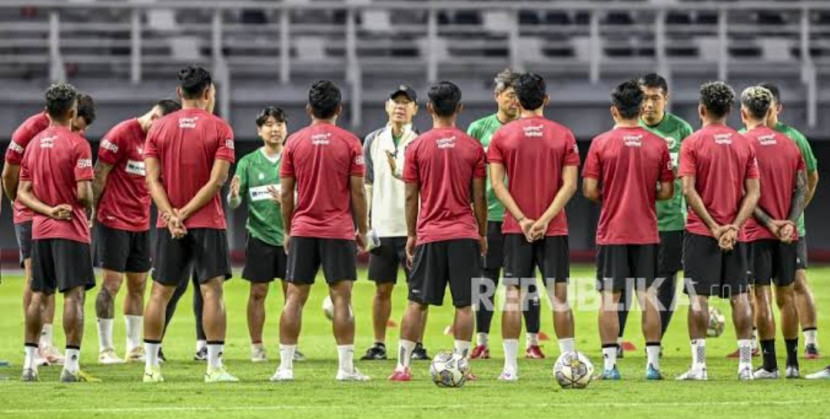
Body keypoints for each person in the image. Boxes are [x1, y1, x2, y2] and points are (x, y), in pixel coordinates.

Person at [141, 65, 238, 383]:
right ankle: (213, 368)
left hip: (168, 223)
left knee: (159, 293)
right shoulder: (221, 128)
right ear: (209, 93)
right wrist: (184, 214)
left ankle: (151, 368)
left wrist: (170, 214)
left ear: (179, 93)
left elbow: (152, 180)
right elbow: (218, 181)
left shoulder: (157, 129)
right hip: (207, 221)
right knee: (212, 292)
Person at [389, 81, 487, 382]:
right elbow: (479, 197)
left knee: (416, 302)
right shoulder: (472, 147)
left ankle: (402, 368)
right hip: (464, 234)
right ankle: (461, 364)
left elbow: (410, 196)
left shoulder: (416, 146)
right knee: (465, 304)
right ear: (459, 108)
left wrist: (411, 234)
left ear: (429, 108)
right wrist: (481, 233)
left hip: (429, 234)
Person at [273, 80, 369, 382]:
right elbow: (358, 193)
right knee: (342, 298)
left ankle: (285, 368)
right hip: (338, 230)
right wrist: (362, 229)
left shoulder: (294, 143)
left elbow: (286, 194)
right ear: (339, 109)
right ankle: (345, 369)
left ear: (309, 109)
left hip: (303, 228)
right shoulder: (351, 142)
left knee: (294, 297)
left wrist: (288, 229)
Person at [486, 73, 579, 381]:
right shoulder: (564, 134)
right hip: (554, 228)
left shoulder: (502, 136)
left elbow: (497, 184)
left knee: (512, 295)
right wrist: (544, 220)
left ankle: (510, 367)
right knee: (559, 297)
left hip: (515, 227)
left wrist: (524, 220)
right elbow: (569, 185)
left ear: (518, 100)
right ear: (546, 100)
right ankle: (569, 363)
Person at [583, 80, 675, 380]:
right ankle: (653, 366)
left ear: (614, 110)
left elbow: (589, 190)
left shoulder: (600, 143)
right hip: (647, 232)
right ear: (640, 108)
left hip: (613, 231)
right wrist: (644, 194)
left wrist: (612, 197)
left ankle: (610, 366)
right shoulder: (658, 144)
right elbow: (667, 192)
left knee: (610, 299)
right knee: (648, 297)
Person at [3, 93, 95, 366]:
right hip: (33, 210)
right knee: (41, 281)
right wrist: (16, 203)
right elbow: (9, 174)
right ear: (70, 113)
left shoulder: (46, 141)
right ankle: (41, 345)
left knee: (47, 284)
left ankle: (44, 345)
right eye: (77, 125)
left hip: (43, 207)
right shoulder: (29, 131)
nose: (79, 132)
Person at [676, 81, 760, 381]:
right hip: (737, 235)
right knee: (740, 297)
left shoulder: (692, 143)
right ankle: (747, 366)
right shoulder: (744, 143)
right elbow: (753, 193)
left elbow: (687, 190)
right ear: (731, 111)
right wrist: (733, 227)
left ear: (701, 110)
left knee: (698, 299)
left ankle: (699, 367)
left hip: (701, 232)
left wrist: (713, 227)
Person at [92, 99, 182, 365]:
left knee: (139, 285)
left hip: (141, 222)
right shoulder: (121, 133)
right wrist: (91, 213)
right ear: (155, 116)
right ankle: (106, 349)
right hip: (113, 219)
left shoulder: (159, 143)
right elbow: (99, 174)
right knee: (111, 284)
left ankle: (134, 348)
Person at [614, 73, 694, 359]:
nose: (649, 104)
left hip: (670, 222)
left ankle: (655, 343)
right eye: (644, 98)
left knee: (665, 283)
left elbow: (690, 178)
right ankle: (618, 339)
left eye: (655, 98)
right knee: (621, 281)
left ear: (666, 99)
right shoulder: (626, 130)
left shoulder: (681, 130)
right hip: (631, 222)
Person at [468, 69, 544, 360]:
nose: (514, 101)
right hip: (491, 215)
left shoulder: (530, 129)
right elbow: (470, 174)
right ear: (496, 96)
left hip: (525, 215)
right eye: (509, 95)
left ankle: (533, 341)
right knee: (486, 280)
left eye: (517, 96)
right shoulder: (479, 129)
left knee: (527, 280)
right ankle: (482, 341)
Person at [739, 86, 807, 379]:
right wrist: (789, 222)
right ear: (770, 111)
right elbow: (802, 187)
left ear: (743, 113)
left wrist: (769, 224)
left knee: (761, 297)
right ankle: (793, 364)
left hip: (756, 233)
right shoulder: (789, 143)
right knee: (787, 296)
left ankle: (769, 366)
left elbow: (745, 193)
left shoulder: (741, 144)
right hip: (787, 234)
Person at [228, 106, 304, 363]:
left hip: (290, 236)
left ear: (286, 128)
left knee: (291, 293)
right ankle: (257, 346)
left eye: (280, 123)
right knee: (258, 292)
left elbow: (305, 196)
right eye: (269, 124)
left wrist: (288, 198)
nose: (275, 129)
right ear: (259, 130)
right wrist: (234, 195)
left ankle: (291, 346)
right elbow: (235, 204)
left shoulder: (296, 158)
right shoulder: (248, 162)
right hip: (259, 236)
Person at [361, 85, 430, 361]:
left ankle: (417, 343)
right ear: (386, 106)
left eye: (407, 103)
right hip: (382, 227)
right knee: (382, 288)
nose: (400, 107)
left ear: (415, 108)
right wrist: (365, 225)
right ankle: (378, 343)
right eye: (396, 102)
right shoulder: (373, 140)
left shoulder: (422, 141)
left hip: (414, 228)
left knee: (419, 292)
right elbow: (367, 184)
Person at [759, 82, 821, 359]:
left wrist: (793, 217)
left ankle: (810, 341)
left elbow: (811, 177)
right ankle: (753, 344)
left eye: (768, 106)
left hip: (790, 228)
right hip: (757, 228)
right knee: (756, 288)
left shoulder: (794, 138)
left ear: (778, 108)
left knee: (797, 283)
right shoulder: (744, 137)